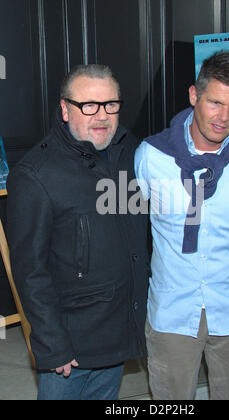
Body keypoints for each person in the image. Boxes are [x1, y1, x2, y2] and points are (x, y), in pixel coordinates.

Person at [135, 50, 229, 400]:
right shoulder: (151, 156)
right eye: (215, 103)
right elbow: (129, 227)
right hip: (171, 314)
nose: (224, 118)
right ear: (194, 96)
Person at [6, 64, 150, 400]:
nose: (101, 116)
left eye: (110, 104)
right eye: (88, 105)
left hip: (119, 325)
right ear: (65, 109)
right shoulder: (35, 175)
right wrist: (52, 343)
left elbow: (182, 145)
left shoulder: (132, 152)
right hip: (72, 344)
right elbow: (30, 271)